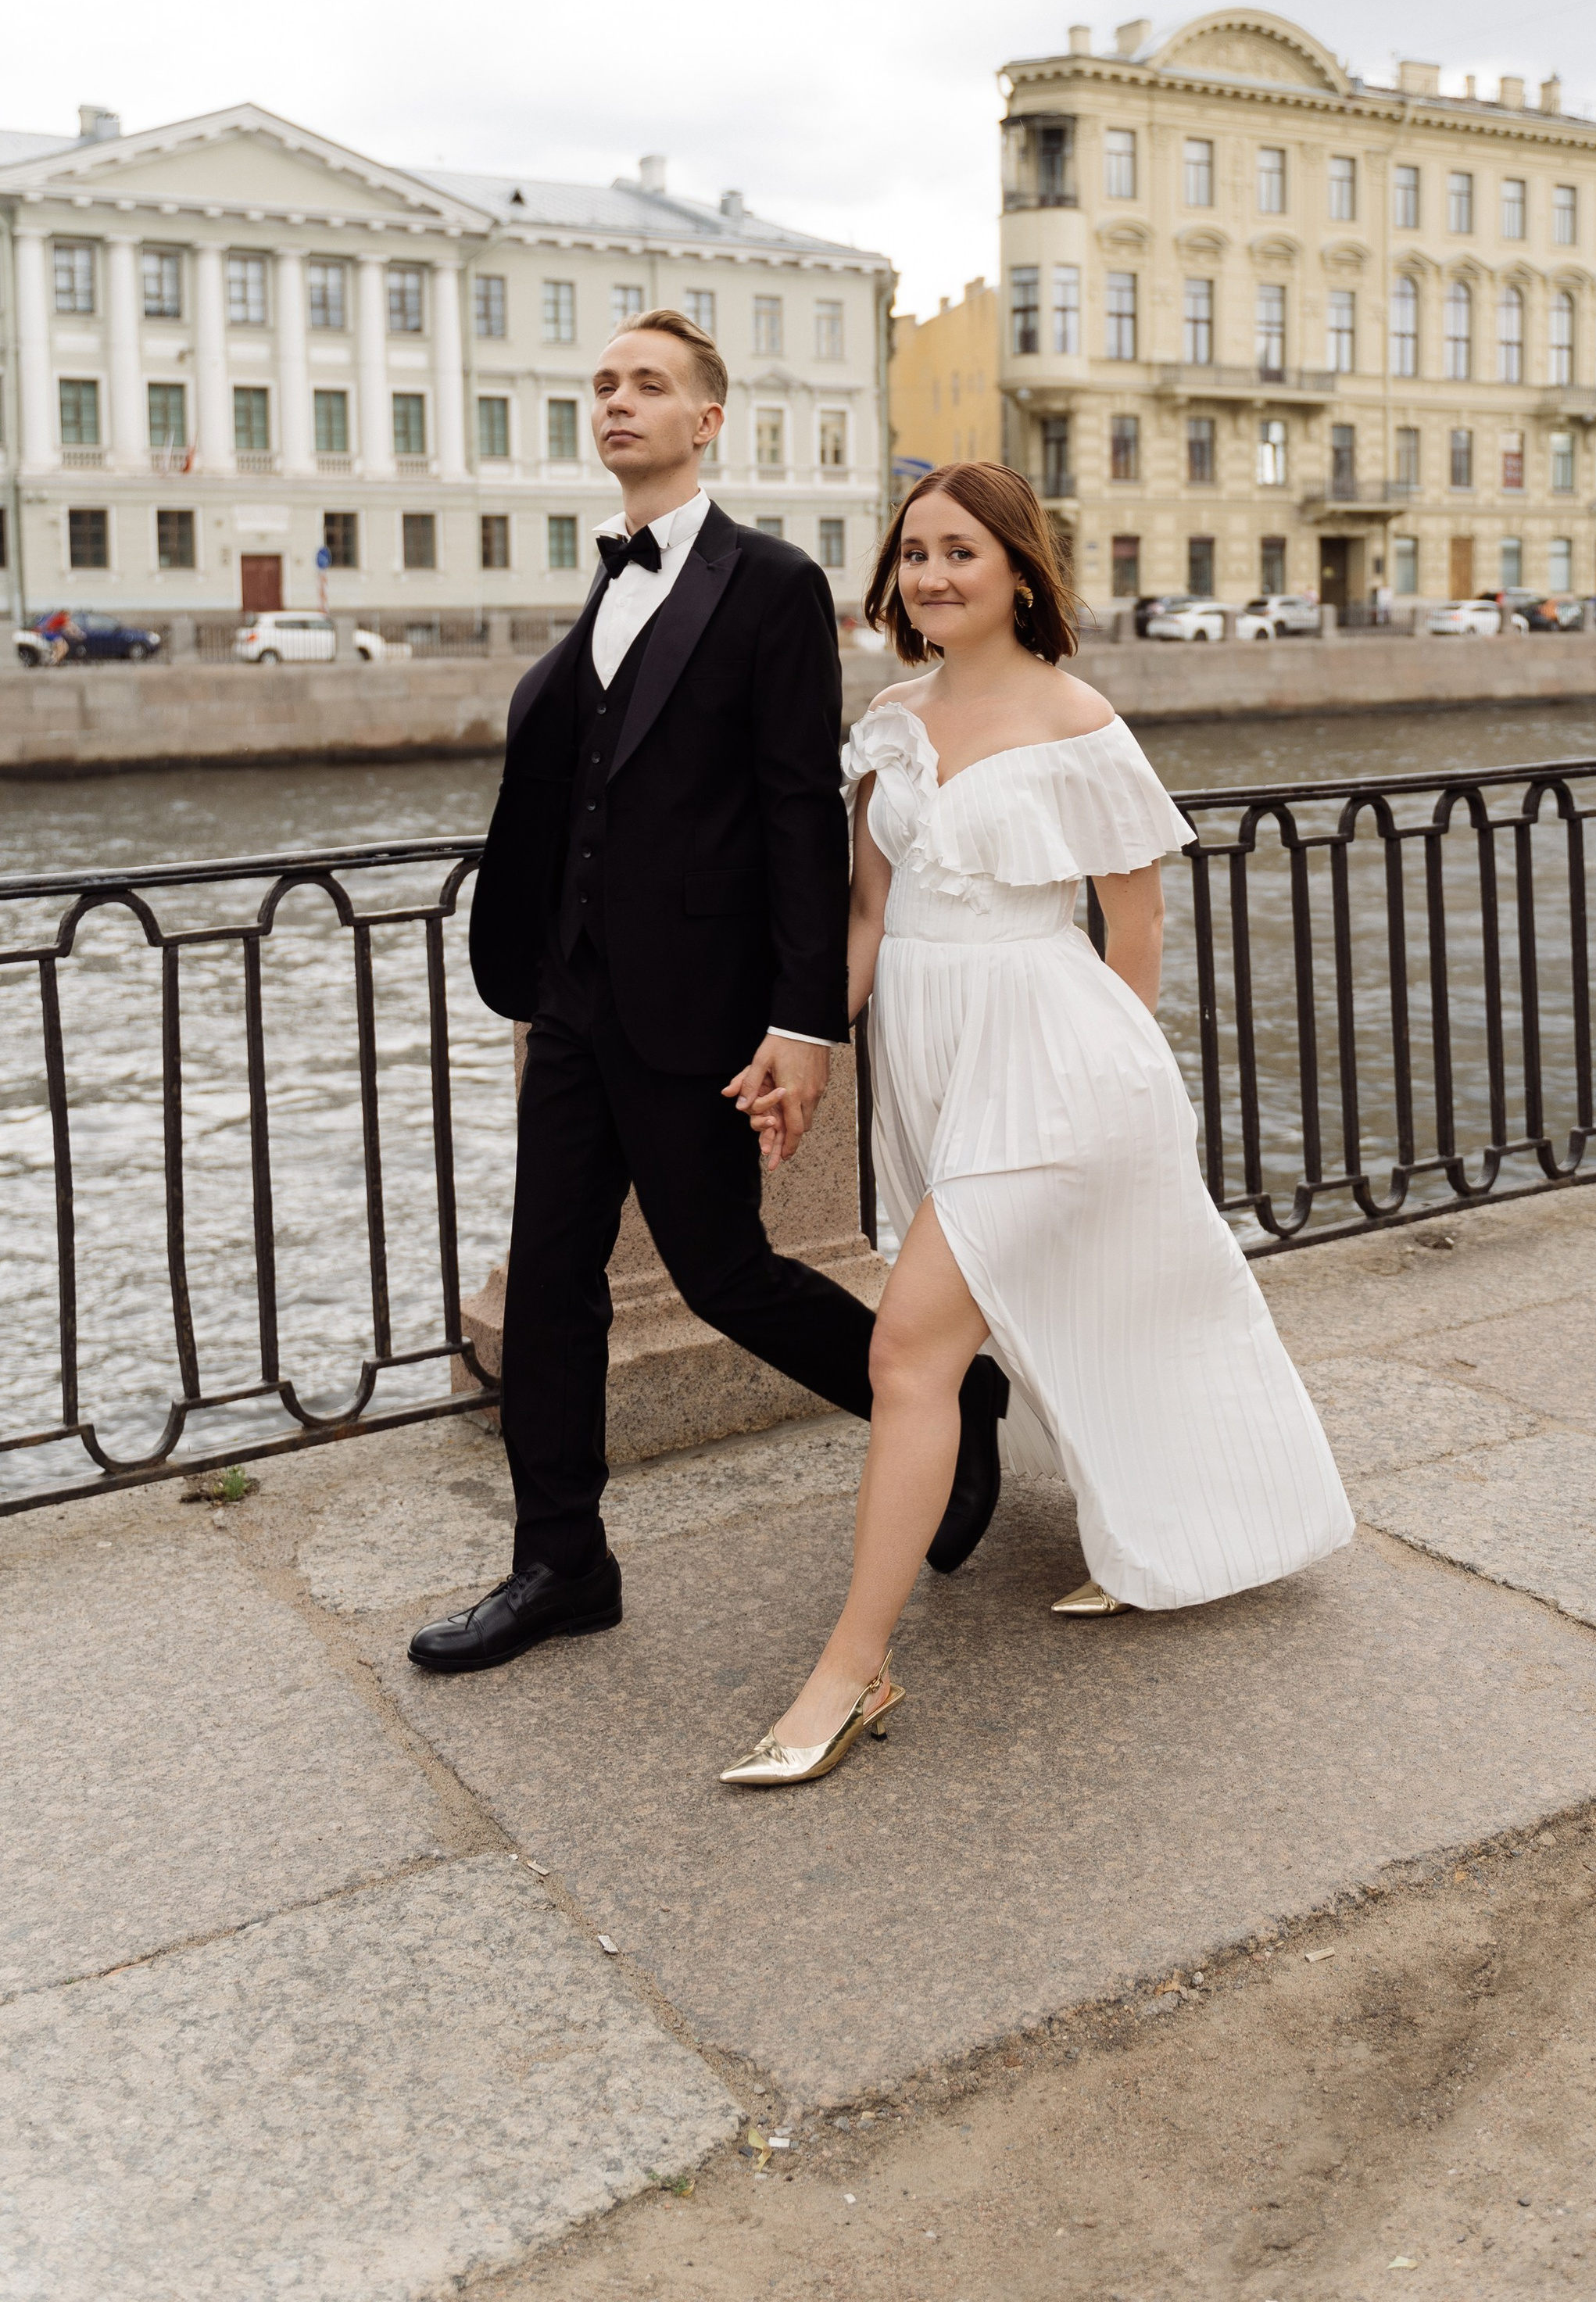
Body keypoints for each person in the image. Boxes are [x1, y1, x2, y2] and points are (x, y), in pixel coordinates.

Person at [720, 462, 1354, 1788]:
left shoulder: (1080, 723)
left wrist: (1121, 1101)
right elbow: (869, 920)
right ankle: (1170, 1535)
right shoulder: (892, 717)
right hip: (934, 1054)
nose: (932, 576)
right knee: (1066, 1312)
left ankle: (853, 1671)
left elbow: (1136, 930)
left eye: (960, 551)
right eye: (913, 555)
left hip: (1054, 1063)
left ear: (1019, 568)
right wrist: (809, 1054)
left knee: (908, 1351)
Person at [408, 313, 1007, 1677]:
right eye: (606, 384)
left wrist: (805, 1023)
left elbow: (800, 813)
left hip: (697, 1007)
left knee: (723, 1273)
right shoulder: (603, 581)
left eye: (651, 386)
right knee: (553, 1281)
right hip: (569, 999)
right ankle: (561, 1563)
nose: (619, 403)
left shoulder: (770, 583)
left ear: (708, 420)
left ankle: (952, 1395)